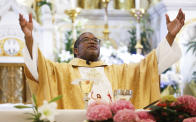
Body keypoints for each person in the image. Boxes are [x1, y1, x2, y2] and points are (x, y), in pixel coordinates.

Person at [19, 9, 185, 109]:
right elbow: (37, 66)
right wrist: (29, 38)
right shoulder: (60, 71)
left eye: (95, 40)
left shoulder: (117, 71)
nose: (92, 41)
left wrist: (170, 36)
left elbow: (149, 66)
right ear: (76, 50)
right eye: (86, 39)